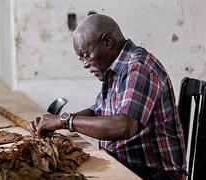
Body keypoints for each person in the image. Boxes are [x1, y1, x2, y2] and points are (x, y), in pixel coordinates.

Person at [29, 14, 186, 180]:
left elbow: (124, 126)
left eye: (86, 55)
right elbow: (97, 110)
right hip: (128, 165)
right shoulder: (115, 70)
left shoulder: (138, 67)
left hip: (154, 174)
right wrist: (57, 121)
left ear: (107, 41)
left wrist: (65, 121)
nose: (85, 64)